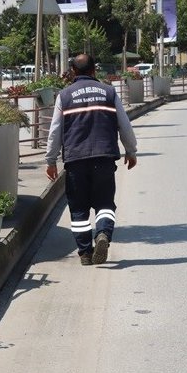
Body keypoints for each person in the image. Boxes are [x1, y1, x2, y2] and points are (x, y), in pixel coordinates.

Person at [45, 53, 139, 266]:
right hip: (104, 158)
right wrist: (131, 151)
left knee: (79, 209)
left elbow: (55, 130)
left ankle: (85, 253)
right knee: (105, 203)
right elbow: (124, 124)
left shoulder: (65, 95)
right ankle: (103, 234)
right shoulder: (108, 91)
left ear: (73, 72)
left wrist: (50, 161)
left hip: (75, 160)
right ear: (94, 71)